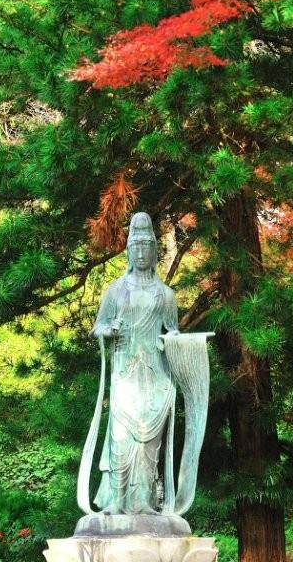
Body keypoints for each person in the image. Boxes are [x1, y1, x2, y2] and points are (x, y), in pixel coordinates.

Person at [91, 212, 179, 515]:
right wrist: (109, 331)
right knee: (121, 438)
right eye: (136, 246)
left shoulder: (165, 295)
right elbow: (98, 327)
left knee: (148, 443)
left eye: (147, 246)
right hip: (125, 374)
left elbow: (173, 332)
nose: (141, 252)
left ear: (155, 251)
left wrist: (175, 343)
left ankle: (143, 500)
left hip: (155, 377)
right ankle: (116, 499)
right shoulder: (116, 291)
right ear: (129, 250)